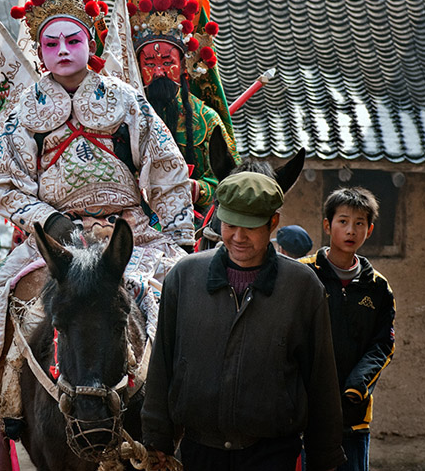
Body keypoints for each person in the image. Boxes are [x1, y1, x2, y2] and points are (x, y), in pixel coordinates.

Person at [0, 0, 194, 457]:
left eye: (72, 39)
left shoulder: (126, 100)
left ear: (89, 43)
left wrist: (178, 233)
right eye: (50, 42)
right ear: (39, 49)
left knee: (184, 292)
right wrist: (47, 221)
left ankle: (198, 401)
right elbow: (5, 182)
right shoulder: (22, 112)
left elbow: (165, 167)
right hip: (54, 240)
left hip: (130, 237)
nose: (61, 49)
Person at [142, 172, 345, 471]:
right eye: (230, 225)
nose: (238, 237)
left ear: (272, 223)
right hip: (199, 451)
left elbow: (321, 379)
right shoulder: (185, 277)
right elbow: (162, 363)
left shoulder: (302, 287)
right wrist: (157, 439)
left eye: (249, 227)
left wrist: (325, 457)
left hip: (272, 452)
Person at [116, 0, 240, 209]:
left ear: (185, 66)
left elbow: (232, 180)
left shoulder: (207, 120)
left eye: (167, 62)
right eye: (149, 62)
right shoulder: (120, 116)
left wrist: (199, 189)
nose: (159, 70)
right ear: (137, 67)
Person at [300, 187, 396, 471]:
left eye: (359, 223)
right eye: (343, 221)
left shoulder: (378, 288)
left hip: (353, 415)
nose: (351, 230)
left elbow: (383, 345)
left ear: (369, 229)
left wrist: (356, 388)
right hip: (307, 414)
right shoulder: (304, 275)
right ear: (327, 225)